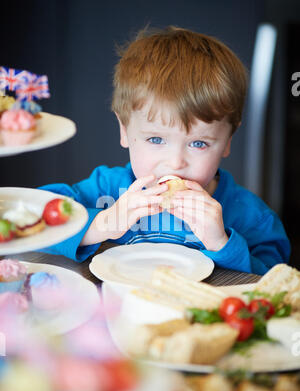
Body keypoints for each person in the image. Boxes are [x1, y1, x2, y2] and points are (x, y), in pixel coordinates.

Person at [39, 26, 290, 274]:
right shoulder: (107, 190)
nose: (175, 162)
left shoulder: (252, 217)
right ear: (125, 130)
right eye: (157, 140)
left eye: (198, 143)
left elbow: (276, 285)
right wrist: (101, 224)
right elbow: (33, 219)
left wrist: (222, 243)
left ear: (227, 142)